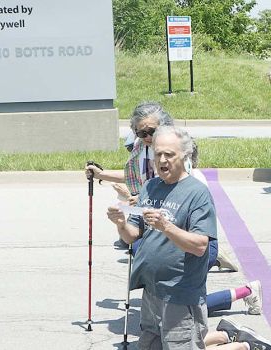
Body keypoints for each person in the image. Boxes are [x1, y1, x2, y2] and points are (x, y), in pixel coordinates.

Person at [88, 102, 263, 316]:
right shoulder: (141, 151)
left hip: (183, 239)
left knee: (182, 306)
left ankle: (237, 322)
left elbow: (170, 191)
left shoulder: (184, 170)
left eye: (150, 132)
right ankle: (240, 299)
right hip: (159, 234)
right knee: (171, 306)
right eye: (140, 132)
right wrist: (102, 177)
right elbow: (141, 179)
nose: (145, 137)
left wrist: (139, 201)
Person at [107, 126, 217, 348]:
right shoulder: (150, 187)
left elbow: (200, 246)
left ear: (184, 156)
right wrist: (120, 224)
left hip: (180, 295)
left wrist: (166, 226)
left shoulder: (197, 193)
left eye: (169, 154)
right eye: (158, 154)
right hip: (151, 293)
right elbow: (132, 236)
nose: (162, 160)